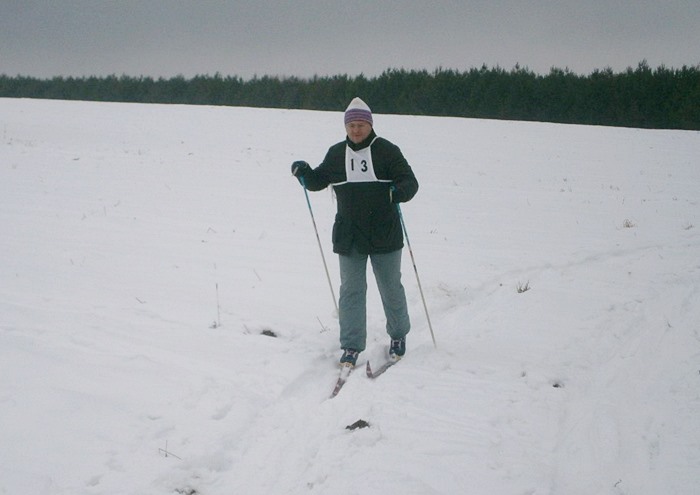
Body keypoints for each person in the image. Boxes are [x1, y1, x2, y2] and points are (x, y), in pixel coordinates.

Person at [291, 97, 419, 368]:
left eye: (361, 124)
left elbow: (410, 181)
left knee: (390, 286)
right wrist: (304, 173)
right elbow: (317, 180)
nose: (356, 130)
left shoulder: (386, 150)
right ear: (346, 126)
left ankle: (398, 335)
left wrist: (399, 191)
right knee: (351, 290)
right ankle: (351, 345)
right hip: (349, 235)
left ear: (370, 124)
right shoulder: (337, 153)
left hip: (385, 232)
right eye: (352, 125)